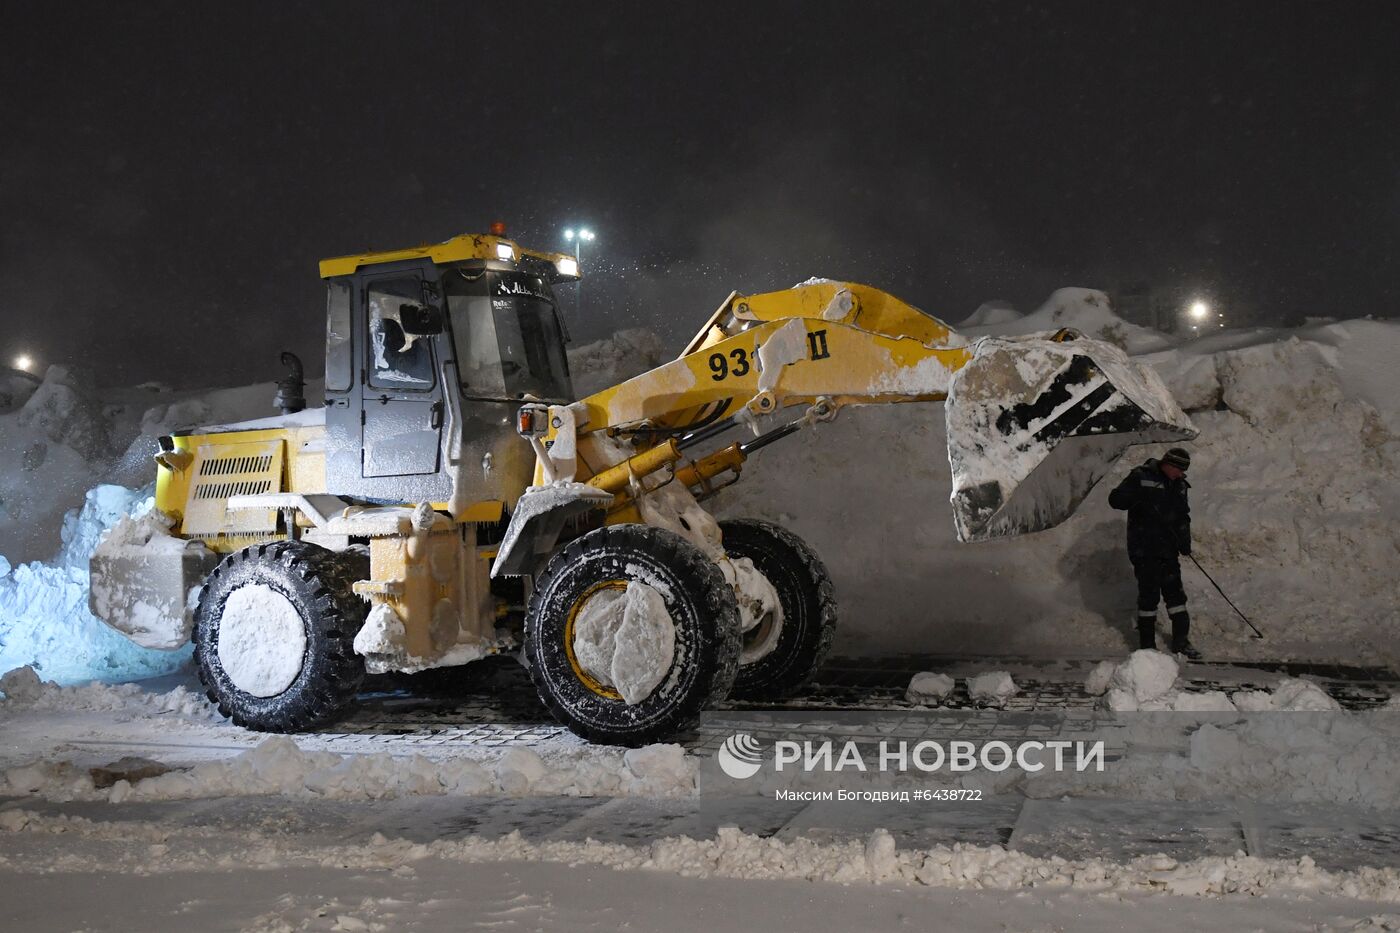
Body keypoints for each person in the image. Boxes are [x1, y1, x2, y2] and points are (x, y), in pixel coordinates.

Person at [1108, 447, 1200, 659]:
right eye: (1178, 470)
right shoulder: (1141, 476)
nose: (1180, 474)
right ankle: (1147, 646)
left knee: (1176, 595)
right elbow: (1115, 500)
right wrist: (1135, 496)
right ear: (1169, 464)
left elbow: (1182, 516)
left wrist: (1184, 540)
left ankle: (1181, 641)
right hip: (1144, 548)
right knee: (1149, 596)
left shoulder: (1179, 485)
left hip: (1168, 549)